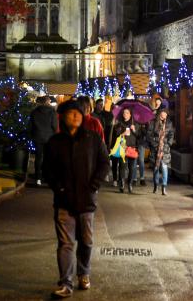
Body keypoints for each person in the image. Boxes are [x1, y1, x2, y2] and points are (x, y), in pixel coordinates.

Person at [43, 100, 109, 298]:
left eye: (78, 113)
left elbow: (104, 163)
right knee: (65, 243)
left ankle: (84, 273)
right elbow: (47, 169)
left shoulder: (93, 139)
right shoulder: (55, 142)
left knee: (86, 241)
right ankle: (65, 283)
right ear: (63, 117)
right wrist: (58, 188)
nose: (75, 116)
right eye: (71, 113)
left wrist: (94, 185)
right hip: (64, 201)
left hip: (87, 201)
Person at [29, 95, 58, 186]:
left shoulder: (34, 112)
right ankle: (46, 176)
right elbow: (54, 125)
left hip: (37, 136)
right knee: (47, 158)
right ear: (47, 102)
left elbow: (31, 125)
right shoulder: (52, 112)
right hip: (49, 137)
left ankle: (38, 178)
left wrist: (32, 134)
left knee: (38, 157)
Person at [109, 107, 139, 194]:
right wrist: (123, 133)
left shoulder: (134, 124)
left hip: (132, 148)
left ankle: (129, 184)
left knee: (132, 168)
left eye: (127, 113)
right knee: (122, 167)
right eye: (124, 113)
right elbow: (116, 136)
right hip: (123, 147)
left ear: (130, 114)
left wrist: (135, 130)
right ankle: (122, 184)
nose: (125, 114)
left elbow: (139, 136)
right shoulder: (120, 124)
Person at [146, 107, 174, 195]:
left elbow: (171, 134)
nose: (163, 114)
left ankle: (164, 187)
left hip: (165, 148)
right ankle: (155, 185)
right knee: (156, 168)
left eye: (165, 113)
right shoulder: (154, 122)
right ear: (159, 114)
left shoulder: (169, 123)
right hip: (155, 148)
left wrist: (169, 143)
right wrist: (154, 144)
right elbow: (149, 135)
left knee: (164, 167)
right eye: (162, 113)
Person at [137, 93, 163, 186]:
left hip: (149, 139)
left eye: (159, 102)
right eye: (156, 102)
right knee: (139, 159)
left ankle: (149, 178)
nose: (157, 104)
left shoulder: (157, 114)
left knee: (149, 159)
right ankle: (140, 177)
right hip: (141, 139)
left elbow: (156, 128)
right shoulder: (141, 115)